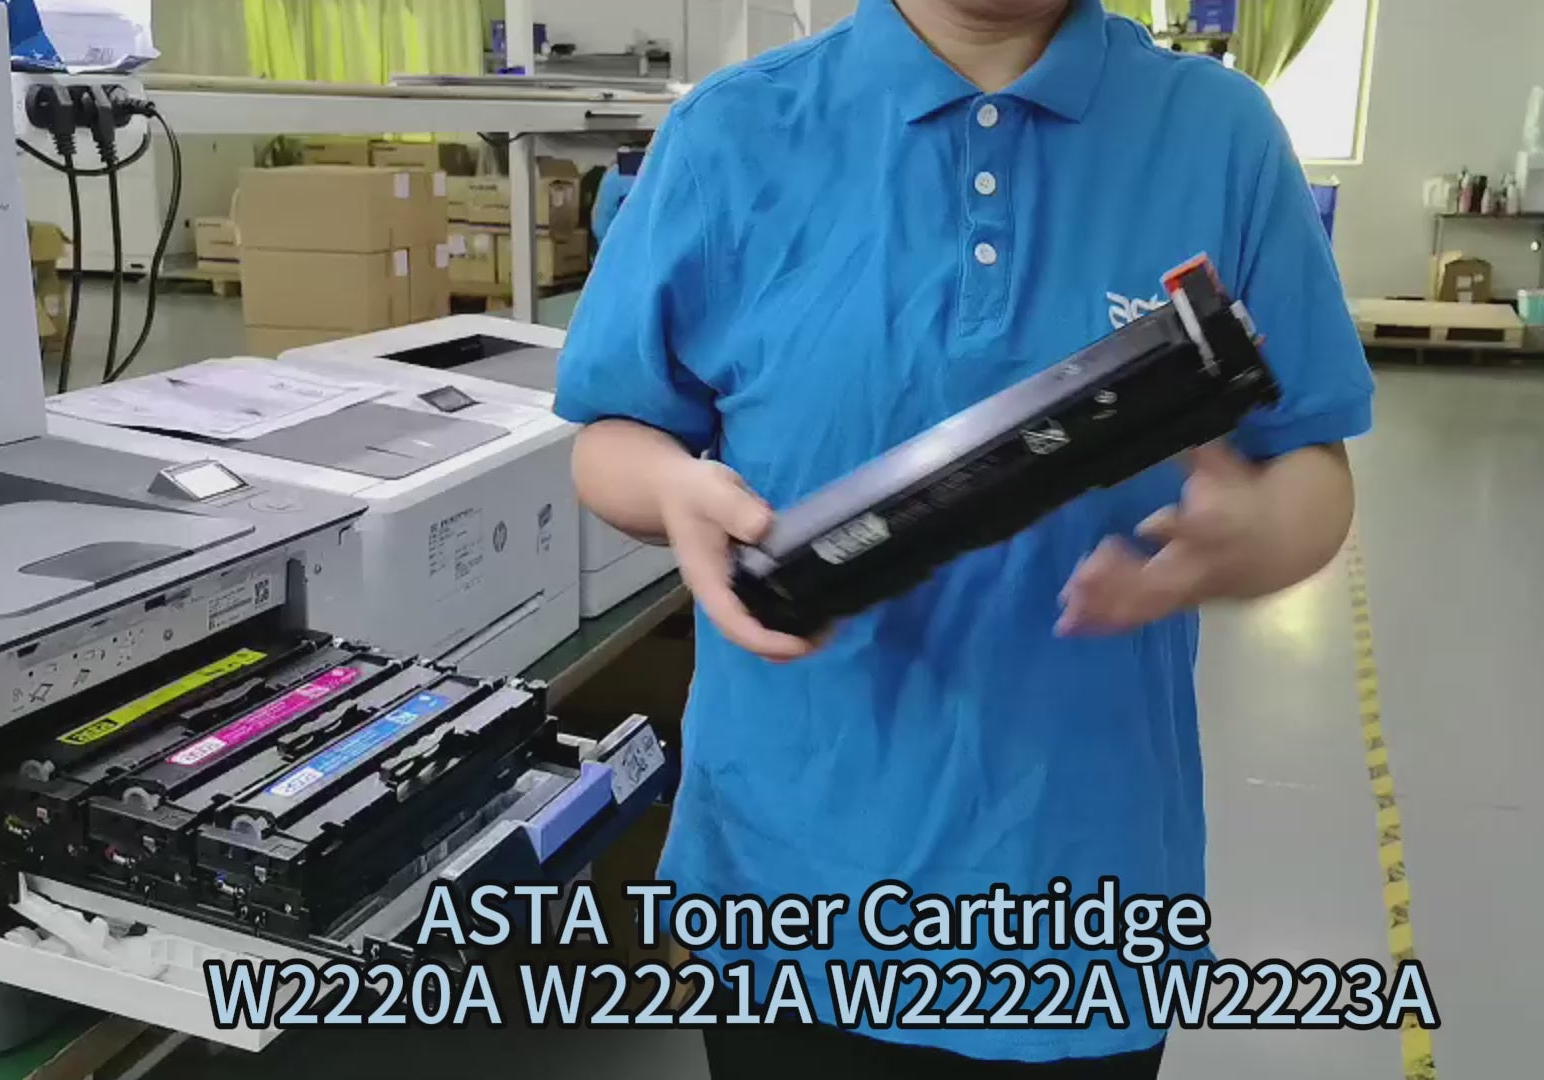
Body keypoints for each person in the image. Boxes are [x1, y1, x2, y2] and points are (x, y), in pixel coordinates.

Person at [554, 0, 1374, 1074]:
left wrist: (1259, 537)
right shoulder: (733, 130)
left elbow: (1312, 462)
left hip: (1079, 883)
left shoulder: (1217, 133)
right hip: (791, 876)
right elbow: (611, 435)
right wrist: (671, 486)